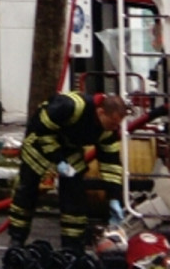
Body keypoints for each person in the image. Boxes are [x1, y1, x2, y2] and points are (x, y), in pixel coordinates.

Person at [8, 92, 127, 252]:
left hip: (69, 151)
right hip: (39, 144)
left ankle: (72, 246)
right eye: (112, 123)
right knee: (27, 191)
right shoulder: (70, 106)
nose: (114, 128)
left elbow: (111, 165)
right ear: (100, 112)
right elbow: (42, 129)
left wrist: (114, 197)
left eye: (117, 125)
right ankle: (17, 239)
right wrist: (58, 160)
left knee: (75, 196)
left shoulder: (108, 131)